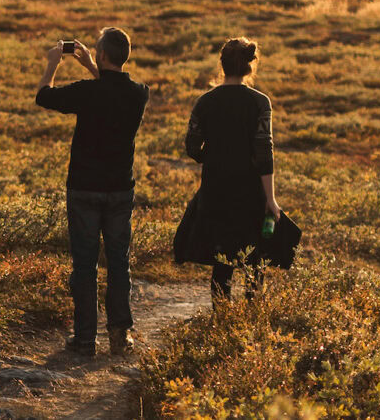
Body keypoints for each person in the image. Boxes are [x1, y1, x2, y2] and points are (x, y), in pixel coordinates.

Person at [35, 27, 149, 357]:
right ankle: (119, 335)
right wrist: (93, 66)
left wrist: (53, 64)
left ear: (101, 54)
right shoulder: (139, 93)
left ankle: (85, 338)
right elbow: (112, 89)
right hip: (119, 190)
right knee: (118, 263)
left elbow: (44, 96)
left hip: (83, 187)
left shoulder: (87, 92)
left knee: (84, 266)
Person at [173, 37, 281, 301]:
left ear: (222, 65)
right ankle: (250, 322)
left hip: (215, 188)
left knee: (223, 259)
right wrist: (271, 199)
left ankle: (221, 317)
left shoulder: (205, 102)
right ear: (249, 66)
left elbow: (191, 146)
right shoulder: (260, 102)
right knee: (254, 259)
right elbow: (264, 153)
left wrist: (212, 158)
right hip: (251, 191)